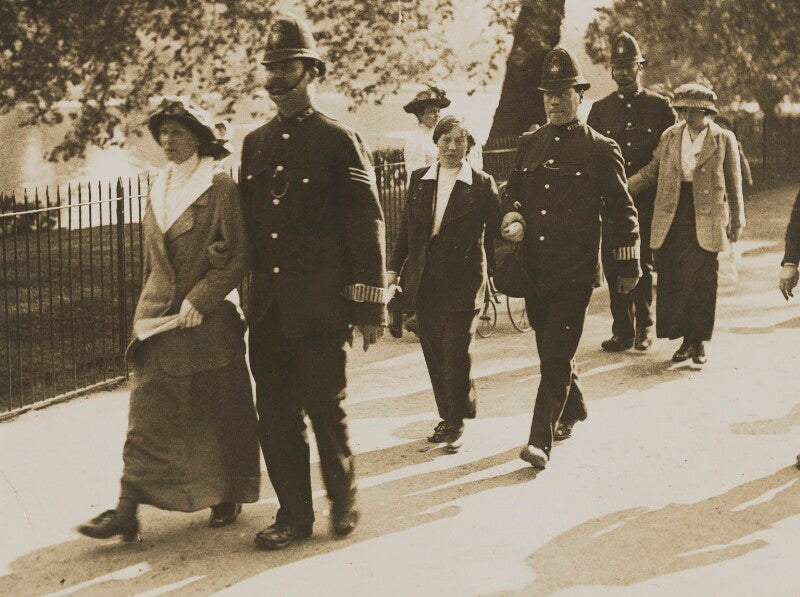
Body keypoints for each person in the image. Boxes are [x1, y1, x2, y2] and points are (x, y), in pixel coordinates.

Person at [77, 97, 260, 541]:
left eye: (178, 131)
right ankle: (126, 507)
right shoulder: (158, 184)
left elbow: (237, 254)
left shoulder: (219, 187)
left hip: (205, 322)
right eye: (163, 132)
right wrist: (146, 306)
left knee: (218, 411)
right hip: (158, 320)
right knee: (149, 411)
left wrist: (202, 298)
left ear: (199, 137)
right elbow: (154, 260)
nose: (168, 140)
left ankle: (227, 492)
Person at [240, 13, 387, 550]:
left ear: (312, 72)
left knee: (326, 407)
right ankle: (293, 516)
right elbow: (251, 231)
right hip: (269, 310)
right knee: (275, 416)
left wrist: (369, 306)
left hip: (321, 306)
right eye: (271, 68)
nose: (277, 78)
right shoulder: (253, 145)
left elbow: (366, 223)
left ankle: (343, 498)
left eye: (288, 67)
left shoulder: (338, 140)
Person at [500, 48, 641, 469]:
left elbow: (622, 210)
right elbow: (512, 192)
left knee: (556, 354)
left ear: (580, 96)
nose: (555, 101)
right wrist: (511, 214)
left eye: (564, 93)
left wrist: (628, 265)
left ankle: (540, 440)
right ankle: (574, 406)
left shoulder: (600, 147)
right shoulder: (529, 143)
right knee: (551, 350)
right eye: (549, 94)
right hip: (535, 268)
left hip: (575, 272)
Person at [388, 115, 500, 451]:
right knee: (434, 351)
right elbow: (407, 230)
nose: (451, 148)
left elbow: (497, 229)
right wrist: (393, 270)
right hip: (426, 281)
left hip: (464, 281)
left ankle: (455, 422)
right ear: (435, 143)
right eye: (445, 141)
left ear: (468, 145)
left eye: (459, 141)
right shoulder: (420, 180)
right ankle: (449, 413)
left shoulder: (481, 184)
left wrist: (500, 267)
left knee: (455, 351)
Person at [628, 83, 745, 365]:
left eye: (695, 111)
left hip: (707, 216)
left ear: (707, 111)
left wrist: (738, 219)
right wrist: (621, 189)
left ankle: (699, 341)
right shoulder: (670, 136)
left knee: (703, 281)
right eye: (683, 111)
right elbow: (652, 171)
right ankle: (684, 341)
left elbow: (733, 181)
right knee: (674, 279)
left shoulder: (722, 138)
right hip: (672, 214)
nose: (688, 117)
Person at [588, 31, 677, 352]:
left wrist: (638, 183)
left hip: (647, 202)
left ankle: (645, 328)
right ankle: (622, 330)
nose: (623, 72)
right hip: (611, 205)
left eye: (629, 66)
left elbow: (669, 157)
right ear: (611, 70)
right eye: (617, 67)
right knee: (614, 264)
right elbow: (591, 156)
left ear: (640, 67)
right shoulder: (599, 110)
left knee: (642, 263)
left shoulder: (660, 107)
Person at [403, 85, 451, 183]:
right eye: (432, 112)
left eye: (438, 111)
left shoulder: (435, 136)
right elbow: (416, 175)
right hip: (426, 191)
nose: (437, 115)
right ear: (421, 115)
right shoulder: (416, 140)